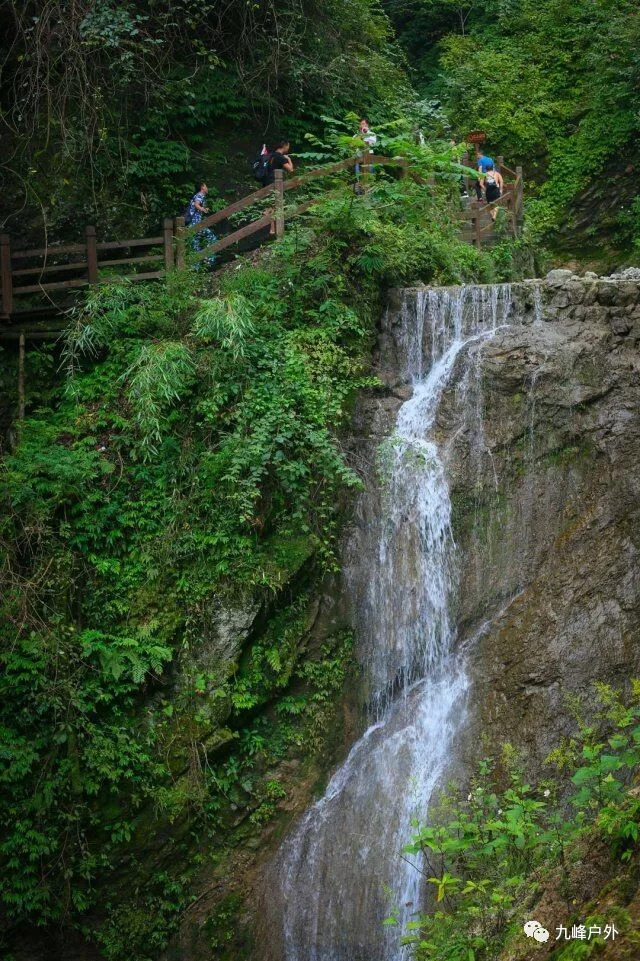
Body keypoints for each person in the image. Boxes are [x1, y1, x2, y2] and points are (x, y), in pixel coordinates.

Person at [263, 140, 294, 235]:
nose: (288, 148)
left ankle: (272, 229)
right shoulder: (280, 157)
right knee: (273, 206)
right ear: (284, 146)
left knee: (272, 205)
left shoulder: (271, 155)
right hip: (274, 183)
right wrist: (288, 159)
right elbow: (291, 169)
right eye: (288, 146)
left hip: (266, 182)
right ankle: (271, 227)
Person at [188, 181, 217, 266]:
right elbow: (197, 205)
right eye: (206, 186)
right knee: (212, 238)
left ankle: (195, 269)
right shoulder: (200, 195)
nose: (207, 188)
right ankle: (209, 260)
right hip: (196, 225)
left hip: (192, 225)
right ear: (202, 187)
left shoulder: (197, 196)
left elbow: (196, 206)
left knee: (195, 246)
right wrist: (203, 209)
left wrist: (203, 208)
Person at [355, 119, 377, 183]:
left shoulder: (372, 134)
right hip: (359, 154)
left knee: (370, 168)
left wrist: (366, 134)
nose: (362, 125)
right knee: (357, 168)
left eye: (363, 123)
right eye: (361, 124)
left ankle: (370, 183)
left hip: (369, 154)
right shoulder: (357, 135)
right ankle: (359, 183)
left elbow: (373, 143)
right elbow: (353, 143)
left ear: (367, 125)